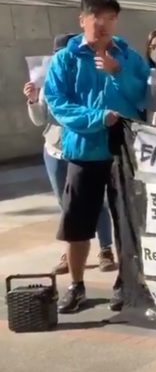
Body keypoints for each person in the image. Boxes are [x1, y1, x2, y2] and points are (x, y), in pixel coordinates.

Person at [43, 0, 150, 314]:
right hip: (83, 149)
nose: (103, 24)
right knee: (77, 223)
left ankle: (125, 282)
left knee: (126, 221)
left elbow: (144, 97)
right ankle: (76, 285)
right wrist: (96, 118)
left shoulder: (128, 56)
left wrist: (118, 73)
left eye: (110, 18)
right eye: (97, 17)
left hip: (123, 152)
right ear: (83, 20)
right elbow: (58, 103)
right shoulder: (65, 59)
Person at [25, 34, 117, 275]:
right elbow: (40, 119)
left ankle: (105, 249)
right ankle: (70, 253)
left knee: (96, 201)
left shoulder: (86, 79)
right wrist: (33, 100)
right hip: (55, 150)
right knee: (66, 205)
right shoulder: (49, 82)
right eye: (57, 55)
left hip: (84, 148)